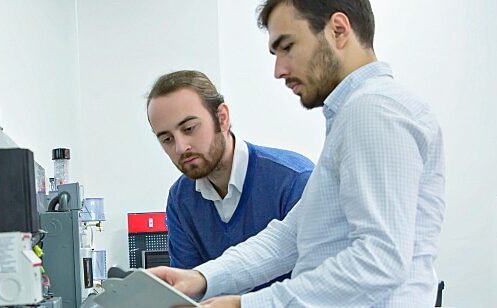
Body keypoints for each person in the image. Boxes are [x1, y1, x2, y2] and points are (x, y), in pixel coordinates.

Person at [149, 1, 445, 307]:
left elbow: (379, 262)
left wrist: (249, 305)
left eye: (287, 46)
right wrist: (202, 278)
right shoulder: (355, 114)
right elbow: (290, 237)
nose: (279, 70)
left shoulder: (372, 111)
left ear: (338, 30)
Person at [146, 70, 313, 291]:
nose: (180, 147)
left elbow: (316, 289)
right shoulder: (181, 199)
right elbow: (187, 296)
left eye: (189, 129)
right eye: (167, 139)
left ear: (222, 118)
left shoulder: (294, 180)